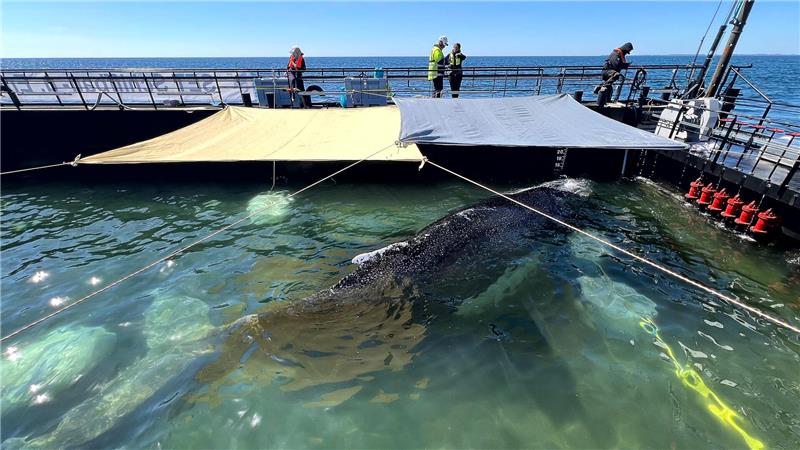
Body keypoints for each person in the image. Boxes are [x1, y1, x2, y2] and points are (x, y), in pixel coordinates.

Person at [594, 42, 633, 107]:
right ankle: (601, 87)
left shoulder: (619, 54)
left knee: (609, 87)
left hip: (611, 72)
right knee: (617, 75)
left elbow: (619, 65)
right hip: (607, 71)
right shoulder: (615, 54)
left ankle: (608, 99)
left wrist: (625, 65)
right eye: (627, 52)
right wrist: (624, 65)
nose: (627, 53)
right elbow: (616, 64)